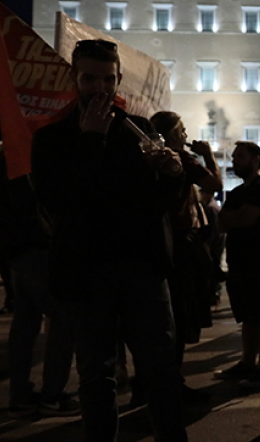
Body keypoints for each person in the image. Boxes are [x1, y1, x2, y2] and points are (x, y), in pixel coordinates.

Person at [30, 39, 187, 442]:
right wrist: (90, 140)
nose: (99, 88)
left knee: (160, 371)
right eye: (89, 78)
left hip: (142, 270)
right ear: (74, 79)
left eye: (107, 79)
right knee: (96, 376)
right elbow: (63, 203)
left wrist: (171, 175)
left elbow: (157, 206)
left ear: (117, 79)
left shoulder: (137, 129)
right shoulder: (52, 139)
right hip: (87, 273)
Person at [0, 148, 79, 417]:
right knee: (64, 316)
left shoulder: (4, 152)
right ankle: (52, 394)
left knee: (26, 322)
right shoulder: (19, 154)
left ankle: (21, 395)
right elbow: (30, 203)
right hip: (33, 247)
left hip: (16, 247)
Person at [150, 111, 222, 403]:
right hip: (180, 244)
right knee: (179, 315)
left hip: (157, 243)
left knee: (160, 320)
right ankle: (172, 384)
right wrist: (208, 155)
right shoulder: (181, 160)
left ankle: (152, 381)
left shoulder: (147, 160)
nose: (185, 134)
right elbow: (214, 183)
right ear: (167, 135)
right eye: (180, 129)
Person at [215, 142, 260, 390]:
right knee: (249, 317)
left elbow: (243, 218)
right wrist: (233, 218)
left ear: (256, 159)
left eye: (240, 157)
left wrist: (232, 217)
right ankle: (247, 362)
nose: (234, 161)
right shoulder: (239, 192)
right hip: (242, 263)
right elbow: (222, 223)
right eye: (234, 157)